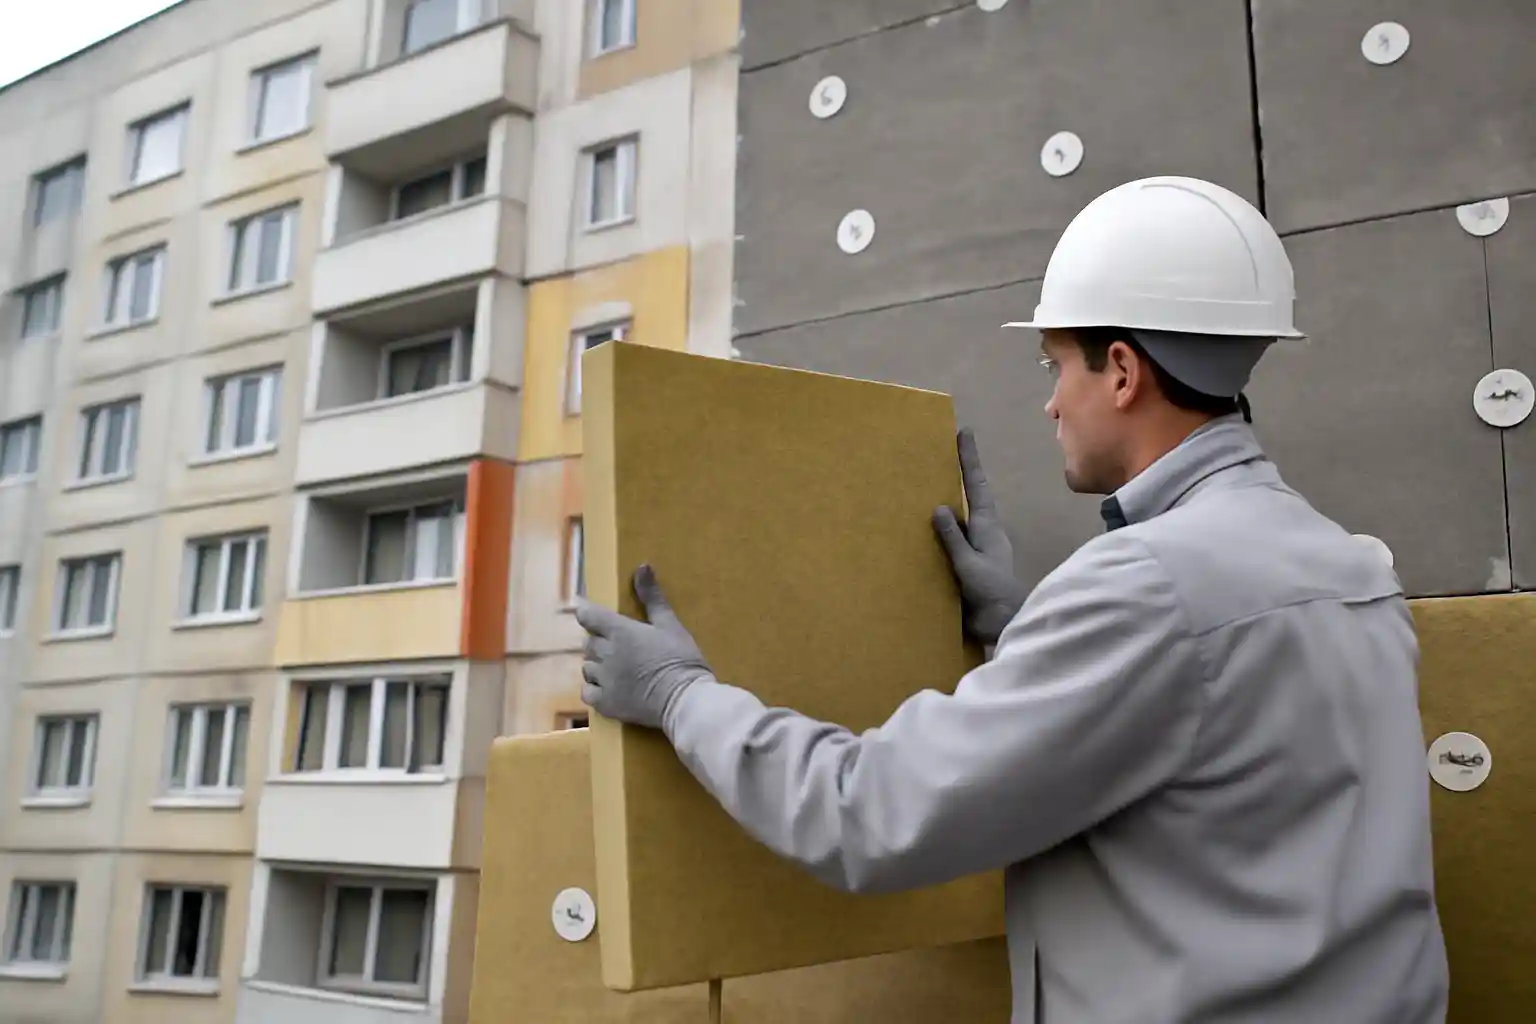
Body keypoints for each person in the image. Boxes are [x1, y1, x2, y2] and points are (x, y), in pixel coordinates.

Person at [575, 176, 1449, 1023]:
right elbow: (1220, 780)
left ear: (1121, 371)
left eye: (1055, 365)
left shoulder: (1146, 587)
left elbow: (869, 814)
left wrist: (679, 694)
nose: (1050, 404)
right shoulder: (1352, 567)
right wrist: (1026, 628)